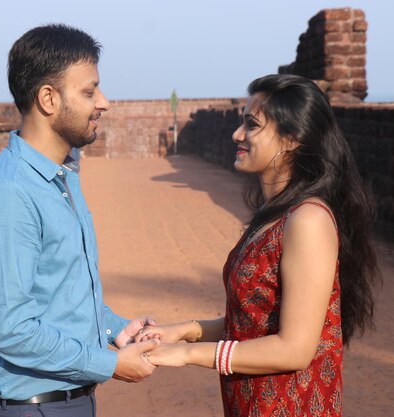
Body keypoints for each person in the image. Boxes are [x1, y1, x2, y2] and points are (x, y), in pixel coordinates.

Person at [136, 74, 381, 416]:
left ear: (292, 138)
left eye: (252, 125)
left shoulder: (308, 220)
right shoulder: (275, 215)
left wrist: (191, 355)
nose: (237, 134)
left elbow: (294, 349)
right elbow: (252, 321)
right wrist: (181, 332)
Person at [0, 24, 160, 417]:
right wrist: (110, 364)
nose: (104, 102)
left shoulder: (58, 177)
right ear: (48, 98)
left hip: (62, 402)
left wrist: (116, 329)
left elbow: (58, 295)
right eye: (89, 91)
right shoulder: (9, 193)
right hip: (31, 408)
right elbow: (10, 328)